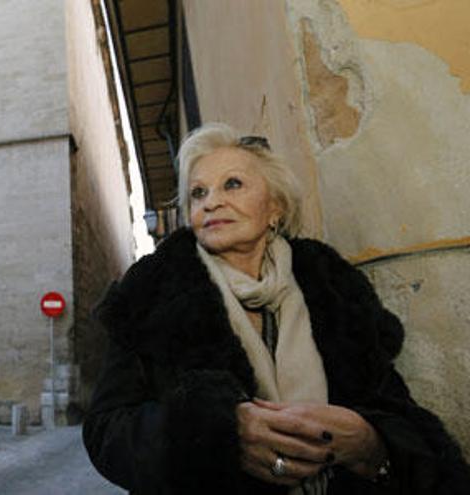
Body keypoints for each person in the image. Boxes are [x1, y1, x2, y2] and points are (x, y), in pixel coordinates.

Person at [83, 123, 470, 494]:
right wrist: (215, 434)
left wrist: (373, 444)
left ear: (275, 208)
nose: (211, 201)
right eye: (197, 193)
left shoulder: (334, 288)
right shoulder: (151, 295)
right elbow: (106, 430)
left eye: (232, 184)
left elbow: (397, 411)